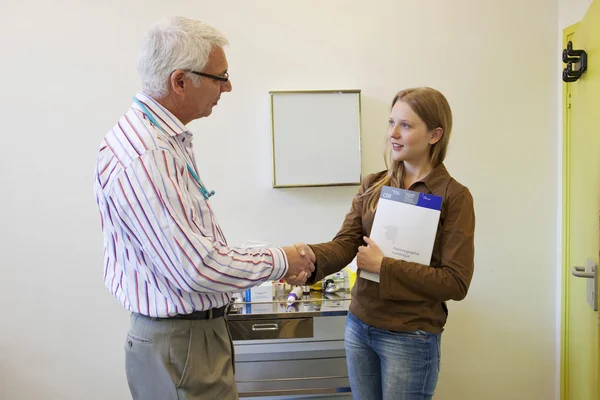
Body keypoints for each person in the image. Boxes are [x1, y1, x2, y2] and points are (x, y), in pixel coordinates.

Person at [93, 16, 313, 400]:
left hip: (187, 339)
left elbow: (191, 249)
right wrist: (283, 259)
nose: (228, 87)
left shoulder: (157, 139)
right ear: (180, 81)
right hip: (183, 344)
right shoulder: (148, 155)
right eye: (219, 76)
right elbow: (197, 267)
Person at [295, 87, 475, 400]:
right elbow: (345, 243)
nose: (393, 133)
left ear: (435, 135)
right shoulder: (373, 185)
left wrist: (384, 266)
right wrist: (309, 258)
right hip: (359, 326)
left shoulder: (454, 197)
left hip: (411, 337)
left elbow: (456, 282)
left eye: (406, 125)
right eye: (391, 122)